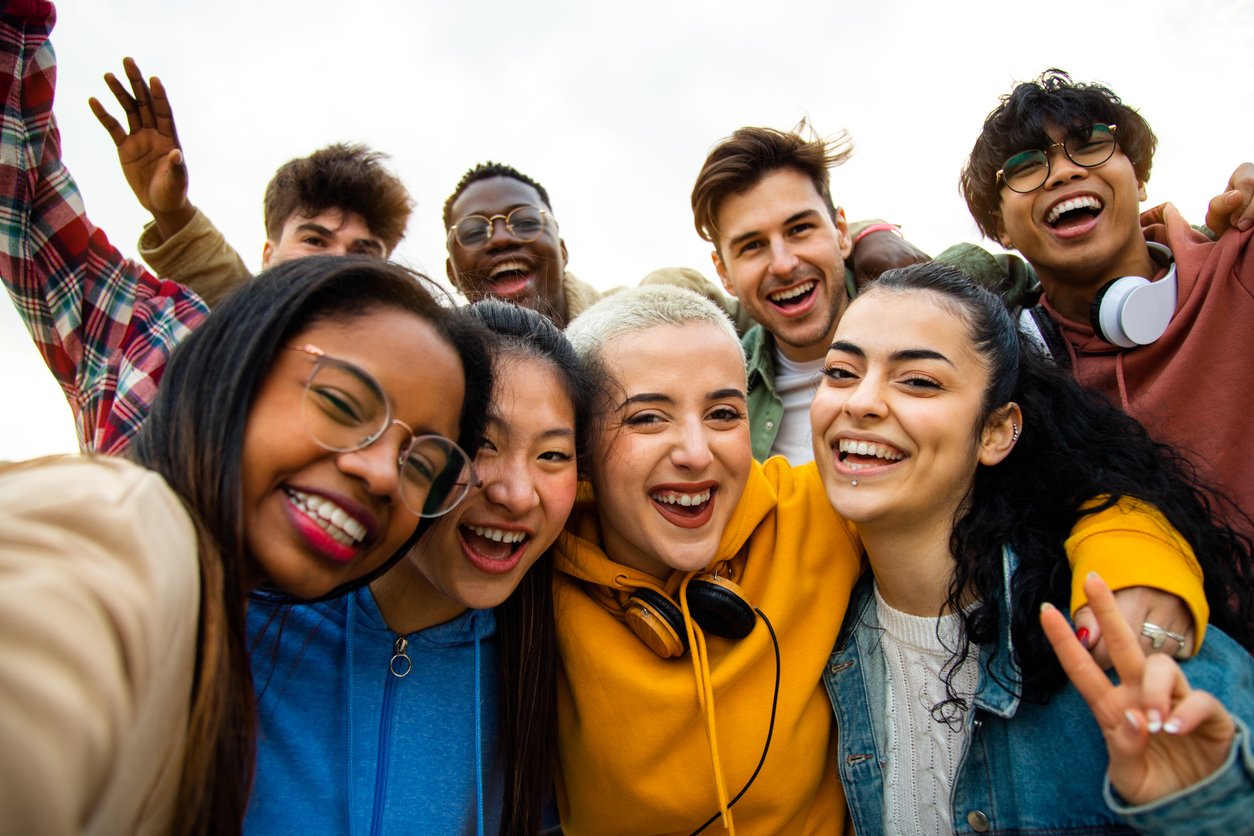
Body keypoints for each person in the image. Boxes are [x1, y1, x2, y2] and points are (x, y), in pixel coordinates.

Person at [551, 284, 1207, 835]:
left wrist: (1135, 563)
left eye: (723, 412)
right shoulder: (533, 577)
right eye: (645, 419)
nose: (695, 451)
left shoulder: (811, 511)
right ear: (579, 444)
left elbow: (1070, 490)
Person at [0, 249, 490, 833]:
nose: (383, 473)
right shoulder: (122, 527)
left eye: (421, 463)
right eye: (341, 404)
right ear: (236, 361)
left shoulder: (213, 614)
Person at [812, 262, 1253, 833]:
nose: (862, 402)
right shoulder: (817, 631)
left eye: (919, 380)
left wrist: (1202, 809)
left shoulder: (1126, 630)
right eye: (842, 372)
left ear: (996, 432)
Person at [245, 300, 596, 835]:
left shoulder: (555, 669)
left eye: (552, 456)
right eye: (481, 444)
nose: (517, 494)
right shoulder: (247, 621)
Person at [959, 70, 1254, 525]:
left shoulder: (1241, 262)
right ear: (1000, 228)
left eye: (1091, 144)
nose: (1064, 171)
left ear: (1138, 180)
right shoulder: (1011, 372)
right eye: (1024, 167)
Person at [690, 124, 930, 463]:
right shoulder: (719, 388)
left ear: (842, 233)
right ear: (724, 273)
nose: (784, 264)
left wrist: (931, 286)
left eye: (800, 229)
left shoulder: (932, 323)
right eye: (753, 245)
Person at [89, 57, 411, 304]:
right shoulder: (233, 341)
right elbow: (226, 289)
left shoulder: (419, 367)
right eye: (315, 241)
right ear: (268, 256)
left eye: (363, 252)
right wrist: (172, 212)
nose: (337, 263)